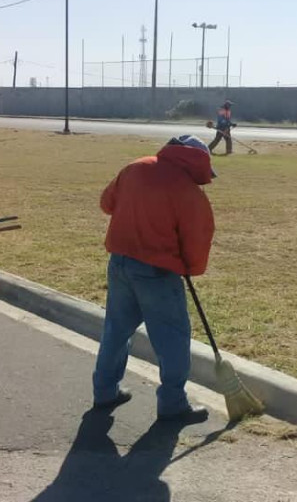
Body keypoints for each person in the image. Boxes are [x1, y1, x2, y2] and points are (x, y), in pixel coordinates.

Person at [93, 135, 216, 424]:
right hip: (157, 273)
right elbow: (198, 239)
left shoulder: (135, 167)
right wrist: (190, 268)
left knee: (116, 330)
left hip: (120, 262)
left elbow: (106, 203)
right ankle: (172, 403)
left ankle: (104, 391)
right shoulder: (189, 192)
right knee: (172, 338)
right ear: (199, 162)